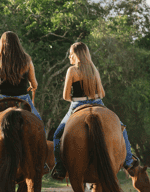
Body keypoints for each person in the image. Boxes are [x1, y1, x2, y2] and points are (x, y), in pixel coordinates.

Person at [50, 42, 137, 180]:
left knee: (56, 136)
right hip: (97, 102)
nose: (69, 58)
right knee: (122, 127)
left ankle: (60, 167)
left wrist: (78, 98)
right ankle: (128, 162)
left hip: (77, 105)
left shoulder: (72, 70)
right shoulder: (93, 69)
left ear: (76, 55)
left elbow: (66, 96)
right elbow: (102, 93)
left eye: (71, 54)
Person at [0, 31, 44, 177]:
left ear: (1, 44)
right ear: (18, 43)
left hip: (1, 98)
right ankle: (43, 161)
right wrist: (32, 87)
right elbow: (34, 83)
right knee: (40, 125)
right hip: (23, 99)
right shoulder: (26, 60)